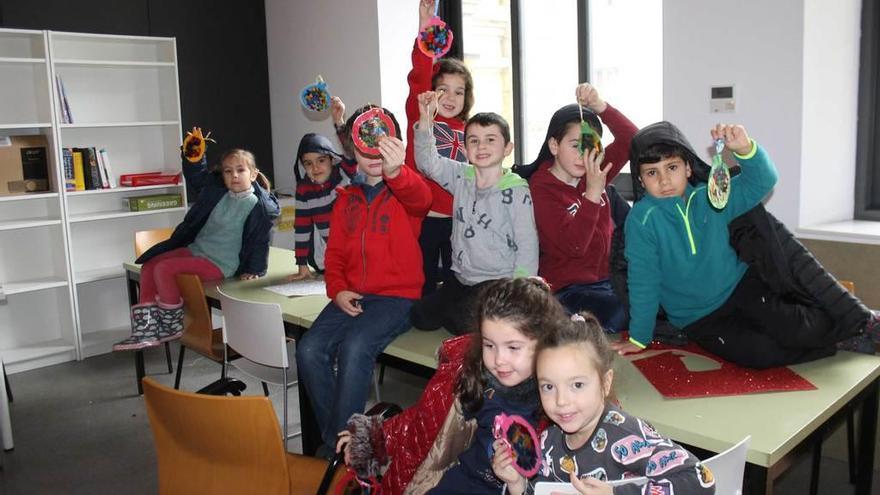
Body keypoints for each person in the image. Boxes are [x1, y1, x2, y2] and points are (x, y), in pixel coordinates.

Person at [617, 121, 880, 367]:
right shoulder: (642, 220)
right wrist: (639, 337)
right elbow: (643, 281)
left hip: (744, 287)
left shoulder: (713, 196)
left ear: (687, 167)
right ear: (640, 180)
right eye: (652, 173)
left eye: (671, 168)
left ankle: (854, 327)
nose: (664, 181)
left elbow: (762, 181)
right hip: (698, 317)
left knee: (798, 327)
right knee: (760, 355)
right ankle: (838, 341)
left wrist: (745, 150)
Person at [338, 277, 567, 495]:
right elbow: (422, 422)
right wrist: (372, 439)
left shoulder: (564, 403)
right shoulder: (475, 377)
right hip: (460, 485)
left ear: (544, 344)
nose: (498, 360)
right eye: (489, 345)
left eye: (513, 348)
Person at [295, 104, 432, 458]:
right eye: (365, 145)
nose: (374, 152)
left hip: (397, 299)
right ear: (353, 150)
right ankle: (343, 443)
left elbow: (422, 198)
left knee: (355, 347)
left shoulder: (406, 191)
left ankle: (344, 452)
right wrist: (336, 289)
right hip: (351, 295)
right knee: (309, 349)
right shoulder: (346, 199)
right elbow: (335, 254)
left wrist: (396, 170)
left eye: (384, 143)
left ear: (397, 145)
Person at [492, 312, 715, 494]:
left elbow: (700, 479)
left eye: (577, 385)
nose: (561, 401)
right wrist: (517, 485)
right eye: (548, 387)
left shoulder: (627, 436)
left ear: (605, 382)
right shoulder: (549, 441)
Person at [114, 141, 279, 351]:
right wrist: (194, 158)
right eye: (228, 171)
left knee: (164, 269)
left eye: (240, 170)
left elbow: (259, 241)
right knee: (150, 265)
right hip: (197, 251)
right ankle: (146, 330)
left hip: (220, 263)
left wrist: (254, 269)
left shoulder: (258, 206)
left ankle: (171, 324)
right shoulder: (217, 192)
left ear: (253, 174)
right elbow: (197, 176)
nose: (234, 176)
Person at [409, 90, 538, 335]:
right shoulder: (461, 176)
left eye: (491, 139)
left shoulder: (517, 191)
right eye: (474, 140)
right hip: (461, 279)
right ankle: (477, 317)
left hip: (498, 281)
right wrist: (425, 119)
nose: (482, 146)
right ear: (466, 148)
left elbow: (527, 245)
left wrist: (521, 295)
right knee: (420, 316)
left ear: (507, 147)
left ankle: (497, 320)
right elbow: (427, 162)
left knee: (463, 323)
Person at [517, 83, 638, 331]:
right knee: (627, 310)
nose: (584, 155)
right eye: (575, 145)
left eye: (590, 145)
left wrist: (600, 107)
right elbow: (574, 246)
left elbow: (632, 140)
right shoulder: (541, 188)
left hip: (608, 280)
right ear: (554, 146)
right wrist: (593, 194)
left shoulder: (592, 169)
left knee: (656, 298)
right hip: (569, 289)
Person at [406, 0, 475, 296]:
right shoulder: (422, 115)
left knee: (455, 285)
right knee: (420, 282)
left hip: (457, 222)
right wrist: (425, 27)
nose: (450, 97)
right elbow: (420, 76)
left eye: (459, 92)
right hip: (423, 219)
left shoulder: (470, 130)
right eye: (443, 89)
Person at [289, 99, 358, 280]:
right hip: (332, 254)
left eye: (321, 160)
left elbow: (351, 155)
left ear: (331, 160)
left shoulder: (344, 175)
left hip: (357, 249)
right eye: (308, 163)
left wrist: (339, 121)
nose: (315, 168)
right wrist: (302, 265)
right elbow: (302, 227)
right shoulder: (304, 190)